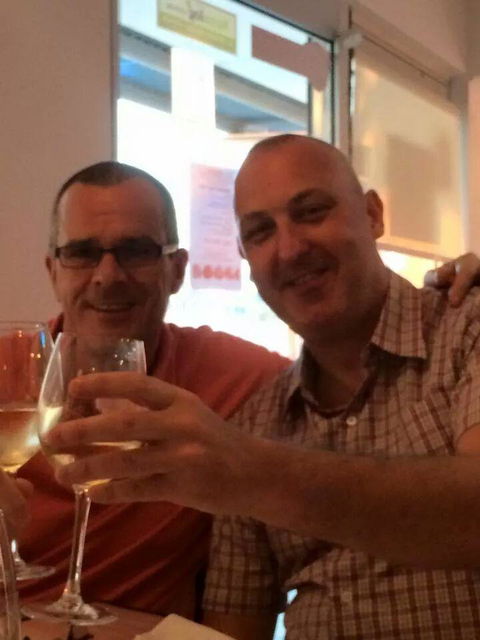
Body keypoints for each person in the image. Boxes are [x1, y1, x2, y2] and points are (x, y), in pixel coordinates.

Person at [46, 135, 480, 639]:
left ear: (372, 215)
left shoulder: (465, 327)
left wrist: (251, 471)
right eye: (260, 232)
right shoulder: (255, 416)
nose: (290, 248)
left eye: (312, 211)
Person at [14, 161, 290, 618]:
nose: (107, 276)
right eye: (82, 253)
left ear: (176, 270)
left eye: (136, 250)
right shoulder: (10, 375)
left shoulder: (235, 377)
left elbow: (341, 380)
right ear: (53, 271)